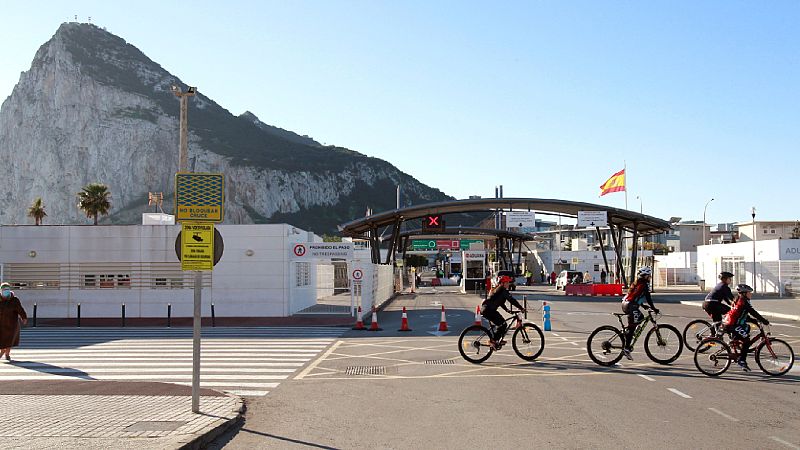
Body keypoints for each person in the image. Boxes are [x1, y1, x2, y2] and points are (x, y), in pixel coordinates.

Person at [722, 284, 769, 372]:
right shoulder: (743, 302)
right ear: (744, 293)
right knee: (746, 340)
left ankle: (735, 345)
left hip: (733, 323)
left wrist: (755, 321)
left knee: (747, 328)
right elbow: (753, 312)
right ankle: (742, 360)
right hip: (733, 325)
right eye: (749, 293)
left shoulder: (739, 300)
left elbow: (743, 315)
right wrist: (764, 320)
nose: (750, 294)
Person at [620, 267, 659, 360]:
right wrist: (654, 308)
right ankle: (626, 348)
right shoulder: (644, 285)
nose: (650, 278)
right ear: (645, 276)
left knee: (640, 317)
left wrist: (642, 305)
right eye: (649, 276)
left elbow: (635, 295)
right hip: (630, 305)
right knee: (632, 327)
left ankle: (627, 333)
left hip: (627, 304)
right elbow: (648, 297)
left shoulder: (638, 283)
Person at [480, 275, 524, 349]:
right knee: (503, 324)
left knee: (501, 323)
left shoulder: (499, 289)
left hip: (488, 310)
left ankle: (497, 339)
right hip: (488, 310)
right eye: (507, 282)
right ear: (502, 283)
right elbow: (511, 300)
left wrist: (507, 310)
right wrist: (521, 308)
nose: (508, 284)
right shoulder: (502, 290)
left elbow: (500, 302)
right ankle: (493, 341)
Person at [0, 282, 28, 361]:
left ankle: (6, 354)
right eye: (4, 290)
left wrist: (24, 318)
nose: (6, 291)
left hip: (11, 324)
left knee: (9, 340)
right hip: (1, 324)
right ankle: (3, 352)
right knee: (2, 340)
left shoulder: (15, 300)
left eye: (7, 289)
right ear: (1, 291)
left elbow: (20, 310)